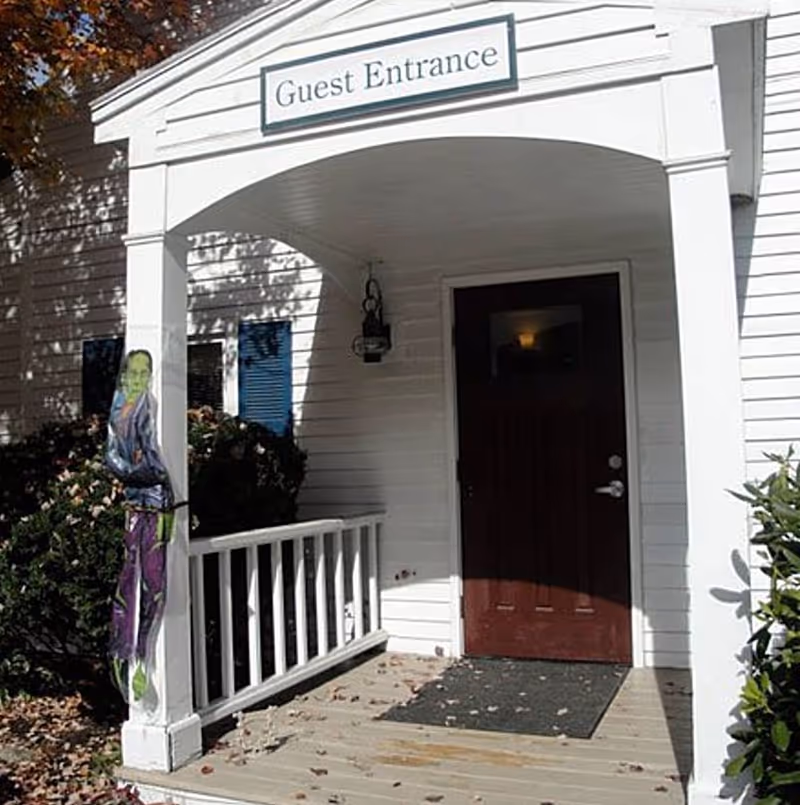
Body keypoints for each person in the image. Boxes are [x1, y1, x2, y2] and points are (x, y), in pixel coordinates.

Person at [105, 349, 174, 701]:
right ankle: (122, 654)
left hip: (159, 504)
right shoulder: (119, 408)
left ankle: (142, 658)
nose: (137, 377)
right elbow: (112, 457)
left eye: (144, 371)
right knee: (128, 580)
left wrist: (144, 471)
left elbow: (156, 463)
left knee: (155, 585)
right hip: (135, 503)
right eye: (132, 371)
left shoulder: (151, 406)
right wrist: (138, 471)